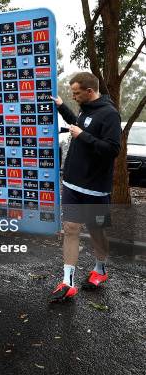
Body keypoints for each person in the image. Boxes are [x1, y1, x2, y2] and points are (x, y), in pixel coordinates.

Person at [50, 72, 121, 302]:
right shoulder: (85, 109)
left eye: (76, 93)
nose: (73, 96)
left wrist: (83, 137)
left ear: (90, 92)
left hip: (95, 188)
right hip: (72, 183)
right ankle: (68, 281)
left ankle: (100, 269)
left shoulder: (109, 115)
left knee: (97, 232)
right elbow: (77, 125)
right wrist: (61, 106)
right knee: (71, 229)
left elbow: (112, 150)